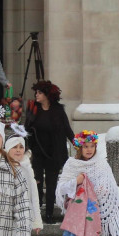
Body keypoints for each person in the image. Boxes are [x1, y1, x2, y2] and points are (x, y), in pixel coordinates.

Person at [24, 79, 74, 223]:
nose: (37, 95)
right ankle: (37, 212)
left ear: (47, 94)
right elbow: (26, 130)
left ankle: (49, 214)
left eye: (39, 92)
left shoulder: (58, 110)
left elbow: (67, 130)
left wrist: (79, 145)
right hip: (38, 152)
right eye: (36, 92)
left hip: (54, 153)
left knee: (52, 184)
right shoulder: (34, 109)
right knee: (37, 182)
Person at [4, 131, 44, 236]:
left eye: (21, 147)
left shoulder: (27, 168)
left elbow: (34, 195)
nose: (18, 150)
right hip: (4, 217)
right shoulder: (2, 167)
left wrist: (37, 220)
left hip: (23, 218)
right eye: (14, 147)